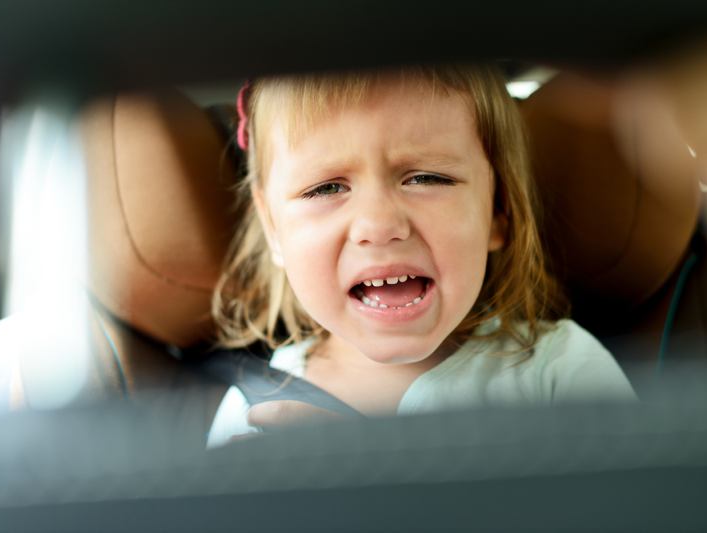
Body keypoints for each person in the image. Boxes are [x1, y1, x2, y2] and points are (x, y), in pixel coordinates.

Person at [207, 64, 635, 446]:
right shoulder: (253, 409)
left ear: (498, 211)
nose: (379, 225)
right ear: (274, 230)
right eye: (326, 188)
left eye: (427, 177)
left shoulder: (560, 373)